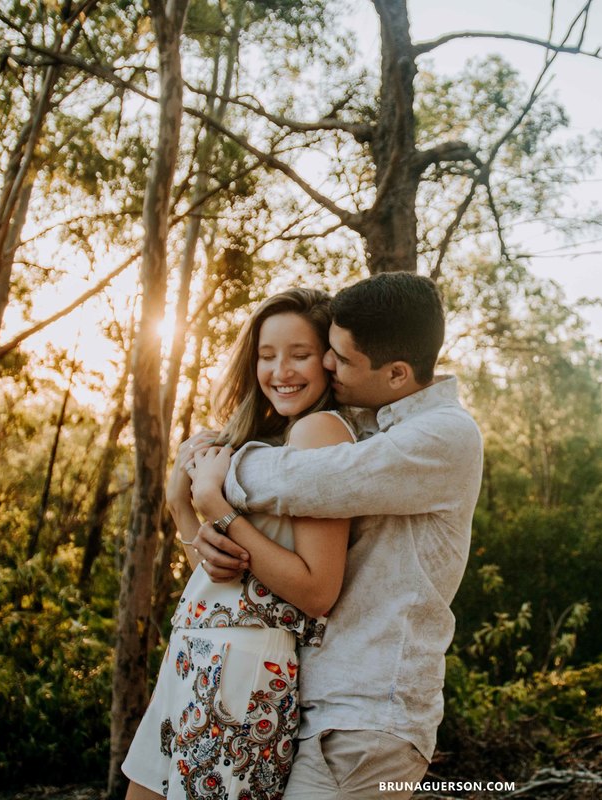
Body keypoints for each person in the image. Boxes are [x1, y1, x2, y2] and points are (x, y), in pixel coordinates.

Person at [189, 272, 484, 800]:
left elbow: (310, 479)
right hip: (324, 705)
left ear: (396, 373)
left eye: (341, 359)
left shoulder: (443, 438)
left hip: (369, 717)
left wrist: (212, 476)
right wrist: (198, 453)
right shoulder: (373, 422)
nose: (327, 364)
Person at [122, 288, 355, 800]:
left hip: (244, 667)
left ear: (329, 360)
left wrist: (217, 506)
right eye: (267, 356)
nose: (281, 370)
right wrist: (183, 509)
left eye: (300, 354)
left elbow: (317, 591)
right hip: (194, 648)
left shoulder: (319, 432)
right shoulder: (265, 437)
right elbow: (221, 579)